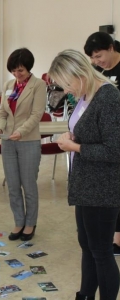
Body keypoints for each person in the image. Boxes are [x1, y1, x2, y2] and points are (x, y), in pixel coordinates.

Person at [49, 49, 120, 300]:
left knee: (101, 251)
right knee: (87, 247)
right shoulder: (86, 94)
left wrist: (75, 147)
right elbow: (89, 129)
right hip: (85, 184)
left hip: (102, 187)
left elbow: (115, 150)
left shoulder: (108, 96)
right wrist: (71, 135)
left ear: (79, 74)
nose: (67, 91)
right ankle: (85, 294)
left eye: (67, 84)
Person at [0, 48, 47, 242]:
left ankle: (30, 223)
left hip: (28, 141)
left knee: (28, 185)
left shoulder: (39, 85)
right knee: (13, 186)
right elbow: (3, 113)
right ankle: (18, 220)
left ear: (29, 68)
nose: (17, 74)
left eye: (21, 70)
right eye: (14, 70)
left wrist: (20, 132)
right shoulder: (9, 85)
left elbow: (36, 114)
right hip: (8, 141)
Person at [84, 32, 120, 256]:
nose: (97, 62)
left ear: (111, 47)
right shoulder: (98, 71)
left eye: (99, 56)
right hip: (105, 135)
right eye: (93, 59)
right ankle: (114, 234)